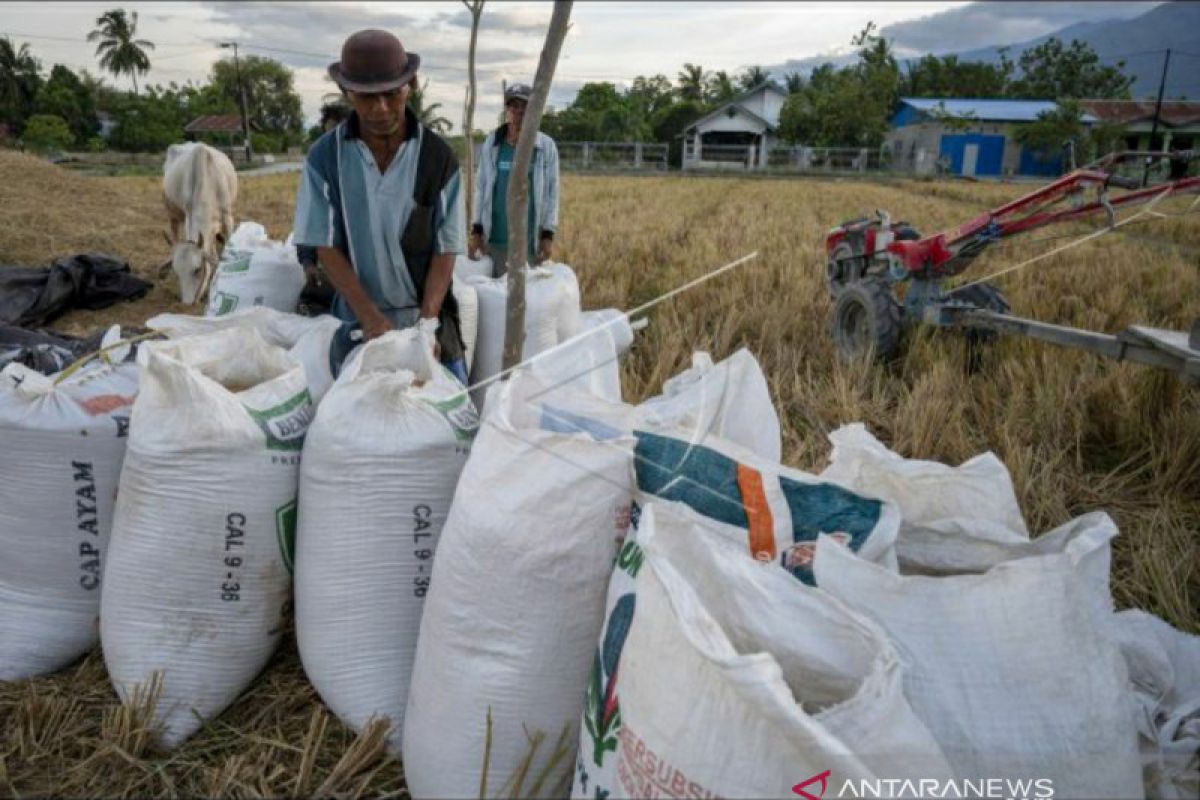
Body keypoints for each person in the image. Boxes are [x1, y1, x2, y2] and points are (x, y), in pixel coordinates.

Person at [293, 29, 468, 383]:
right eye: (366, 98)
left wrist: (428, 325)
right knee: (345, 420)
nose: (381, 109)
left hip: (425, 316)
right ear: (346, 94)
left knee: (455, 412)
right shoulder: (325, 159)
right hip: (357, 316)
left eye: (391, 94)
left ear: (411, 85)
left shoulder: (438, 159)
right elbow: (323, 244)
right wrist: (369, 316)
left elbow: (445, 249)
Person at [468, 83, 560, 277]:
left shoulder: (545, 146)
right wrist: (476, 230)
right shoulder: (493, 143)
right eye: (513, 105)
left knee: (527, 298)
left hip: (529, 241)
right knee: (498, 298)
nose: (519, 111)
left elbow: (552, 193)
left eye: (524, 105)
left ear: (533, 109)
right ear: (507, 109)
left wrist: (547, 235)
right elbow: (481, 187)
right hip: (496, 239)